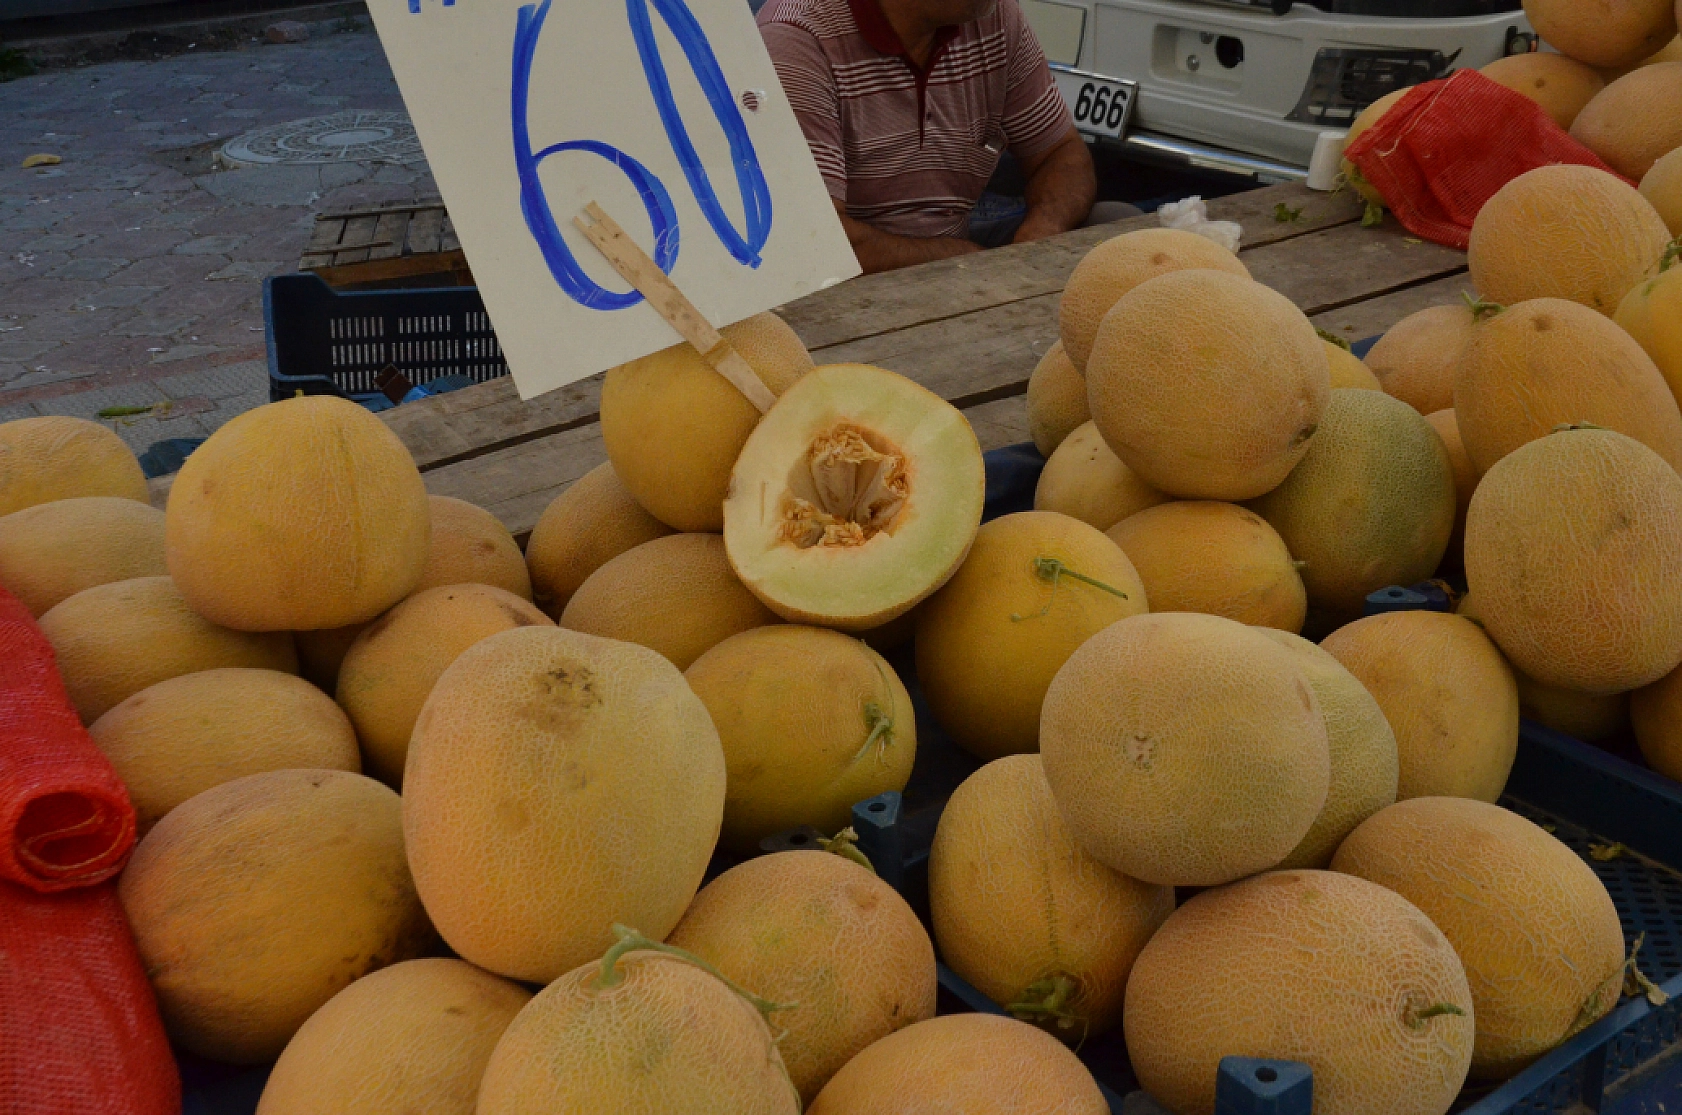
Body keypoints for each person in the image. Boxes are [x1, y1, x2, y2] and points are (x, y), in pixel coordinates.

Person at [759, 0, 1121, 274]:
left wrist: (1038, 235)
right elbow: (814, 240)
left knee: (1116, 223)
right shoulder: (797, 39)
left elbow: (1060, 153)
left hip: (959, 250)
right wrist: (957, 260)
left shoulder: (994, 15)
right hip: (850, 280)